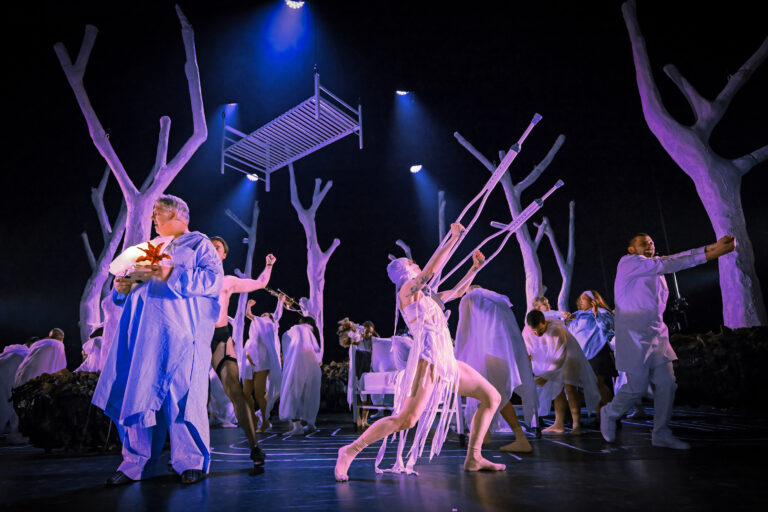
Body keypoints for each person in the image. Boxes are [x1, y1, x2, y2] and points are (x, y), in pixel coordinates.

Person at [335, 222, 505, 482]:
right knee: (406, 419)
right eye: (414, 265)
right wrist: (453, 239)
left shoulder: (427, 296)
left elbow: (458, 291)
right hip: (428, 362)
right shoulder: (407, 292)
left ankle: (474, 457)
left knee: (491, 397)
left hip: (447, 362)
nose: (418, 267)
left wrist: (474, 268)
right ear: (407, 271)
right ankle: (349, 450)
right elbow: (427, 274)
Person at [93, 194, 222, 486]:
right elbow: (127, 294)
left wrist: (172, 272)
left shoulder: (198, 244)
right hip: (142, 336)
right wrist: (122, 288)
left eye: (157, 213)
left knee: (180, 397)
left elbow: (212, 281)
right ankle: (134, 463)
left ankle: (190, 461)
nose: (153, 218)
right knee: (136, 393)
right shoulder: (147, 248)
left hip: (179, 333)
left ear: (179, 214)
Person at [600, 233, 736, 450]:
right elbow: (671, 262)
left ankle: (660, 432)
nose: (650, 246)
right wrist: (711, 251)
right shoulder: (627, 263)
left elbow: (669, 263)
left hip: (657, 334)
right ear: (631, 249)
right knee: (637, 387)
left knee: (667, 384)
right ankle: (610, 412)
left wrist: (712, 251)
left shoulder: (656, 267)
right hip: (634, 336)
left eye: (652, 243)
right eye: (644, 243)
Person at [209, 236, 276, 468]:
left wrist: (268, 266)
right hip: (195, 339)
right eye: (209, 246)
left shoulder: (226, 282)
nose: (212, 249)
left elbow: (259, 283)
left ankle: (254, 446)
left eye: (217, 247)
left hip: (220, 337)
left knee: (235, 391)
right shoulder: (193, 278)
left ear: (224, 255)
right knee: (189, 396)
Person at [454, 286, 538, 453]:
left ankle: (518, 439)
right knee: (494, 395)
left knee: (493, 395)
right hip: (506, 352)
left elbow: (464, 331)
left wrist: (455, 356)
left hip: (492, 352)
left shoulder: (469, 298)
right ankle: (484, 436)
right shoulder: (497, 299)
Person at [523, 310, 600, 435]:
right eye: (534, 331)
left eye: (540, 330)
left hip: (568, 356)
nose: (537, 333)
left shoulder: (556, 330)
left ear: (545, 322)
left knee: (570, 387)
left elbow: (560, 357)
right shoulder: (527, 331)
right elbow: (528, 349)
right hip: (550, 359)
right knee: (556, 390)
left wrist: (546, 376)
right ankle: (559, 423)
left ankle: (576, 425)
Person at [565, 290, 617, 409]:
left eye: (584, 298)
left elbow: (607, 329)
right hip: (584, 356)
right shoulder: (577, 315)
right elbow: (572, 334)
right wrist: (567, 322)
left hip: (598, 353)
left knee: (600, 385)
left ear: (593, 300)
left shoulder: (602, 312)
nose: (580, 301)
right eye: (580, 298)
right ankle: (600, 417)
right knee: (590, 388)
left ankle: (609, 415)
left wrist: (596, 314)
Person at [243, 297, 285, 432]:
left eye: (267, 315)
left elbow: (277, 314)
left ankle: (265, 420)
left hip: (263, 361)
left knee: (259, 394)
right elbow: (249, 315)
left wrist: (281, 301)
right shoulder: (257, 323)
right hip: (251, 360)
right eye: (262, 314)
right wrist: (248, 304)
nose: (263, 315)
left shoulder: (271, 324)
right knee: (246, 393)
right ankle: (255, 418)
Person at [279, 316, 323, 435]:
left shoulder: (297, 328)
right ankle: (310, 423)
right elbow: (318, 353)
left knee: (292, 393)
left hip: (297, 365)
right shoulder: (311, 335)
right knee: (310, 394)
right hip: (312, 367)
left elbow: (286, 338)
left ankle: (297, 427)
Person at [0, 343, 30, 443]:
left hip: (3, 376)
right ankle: (15, 434)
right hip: (7, 380)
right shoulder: (25, 354)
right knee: (8, 406)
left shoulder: (11, 350)